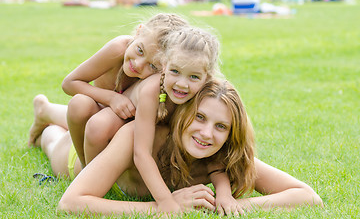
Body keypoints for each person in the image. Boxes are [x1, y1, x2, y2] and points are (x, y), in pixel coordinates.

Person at [27, 79, 322, 216]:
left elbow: (307, 196)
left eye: (221, 127)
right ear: (182, 114)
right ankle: (46, 112)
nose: (207, 134)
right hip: (82, 163)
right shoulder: (137, 136)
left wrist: (235, 204)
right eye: (200, 118)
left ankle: (48, 114)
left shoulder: (220, 155)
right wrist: (161, 208)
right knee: (54, 141)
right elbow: (71, 203)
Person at [28, 13, 189, 166]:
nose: (138, 64)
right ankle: (45, 111)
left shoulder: (159, 82)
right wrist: (112, 98)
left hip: (111, 125)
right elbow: (70, 83)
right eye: (140, 50)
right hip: (96, 116)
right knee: (81, 107)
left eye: (153, 66)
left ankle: (45, 112)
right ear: (139, 31)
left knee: (90, 122)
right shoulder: (119, 48)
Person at [130, 26, 221, 213]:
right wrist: (165, 201)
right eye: (175, 71)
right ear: (164, 64)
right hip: (122, 116)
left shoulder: (210, 94)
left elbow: (221, 154)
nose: (182, 84)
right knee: (99, 125)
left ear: (207, 77)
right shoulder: (151, 92)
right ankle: (50, 113)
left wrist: (224, 192)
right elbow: (141, 152)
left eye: (194, 76)